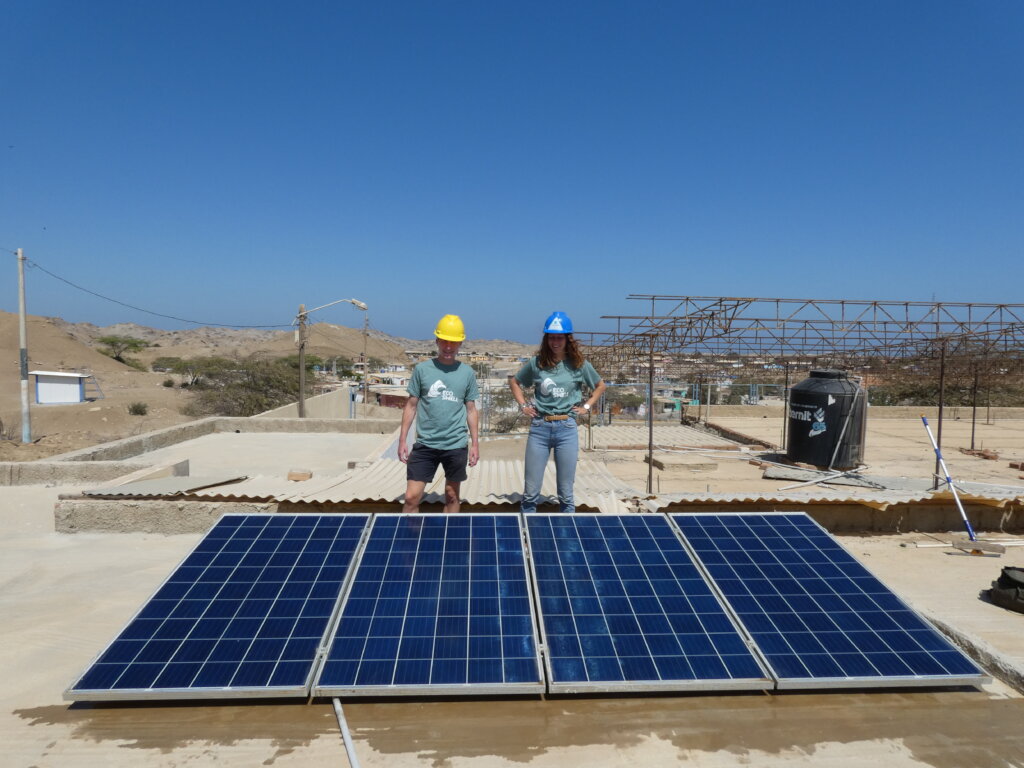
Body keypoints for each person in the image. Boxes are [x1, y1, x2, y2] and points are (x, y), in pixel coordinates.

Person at [509, 311, 606, 513]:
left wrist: (586, 407)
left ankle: (567, 538)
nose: (555, 342)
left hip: (567, 428)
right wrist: (523, 405)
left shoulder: (579, 364)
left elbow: (600, 386)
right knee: (530, 492)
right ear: (546, 339)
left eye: (559, 337)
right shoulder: (537, 363)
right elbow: (515, 382)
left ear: (567, 339)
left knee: (566, 492)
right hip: (540, 428)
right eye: (551, 337)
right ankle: (528, 536)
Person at [399, 314, 480, 513]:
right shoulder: (422, 370)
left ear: (460, 343)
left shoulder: (467, 373)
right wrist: (402, 440)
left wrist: (475, 444)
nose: (448, 346)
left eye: (453, 342)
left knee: (452, 496)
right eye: (444, 341)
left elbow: (471, 410)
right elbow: (411, 406)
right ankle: (409, 541)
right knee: (411, 498)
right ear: (437, 340)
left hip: (456, 445)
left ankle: (448, 540)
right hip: (426, 444)